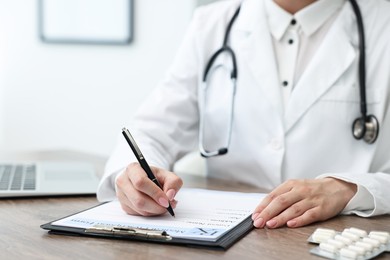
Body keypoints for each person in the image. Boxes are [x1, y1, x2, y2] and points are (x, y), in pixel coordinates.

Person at [97, 0, 390, 229]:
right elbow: (151, 132)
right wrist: (134, 177)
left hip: (337, 239)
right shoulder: (211, 24)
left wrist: (349, 190)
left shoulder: (383, 27)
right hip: (229, 241)